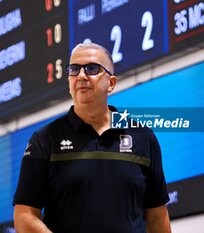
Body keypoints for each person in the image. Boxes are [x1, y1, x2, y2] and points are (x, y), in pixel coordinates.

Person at [13, 43, 171, 233]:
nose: (81, 76)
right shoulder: (44, 139)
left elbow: (157, 217)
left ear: (111, 83)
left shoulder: (143, 137)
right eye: (74, 69)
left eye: (91, 68)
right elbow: (24, 216)